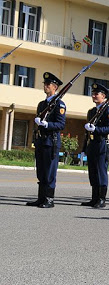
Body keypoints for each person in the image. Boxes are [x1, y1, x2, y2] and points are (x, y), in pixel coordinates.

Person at [27, 72, 66, 209]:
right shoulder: (42, 104)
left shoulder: (59, 104)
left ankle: (49, 199)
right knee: (41, 171)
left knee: (49, 171)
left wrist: (47, 124)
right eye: (45, 84)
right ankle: (41, 198)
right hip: (41, 141)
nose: (45, 86)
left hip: (51, 141)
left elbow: (61, 125)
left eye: (48, 84)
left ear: (55, 87)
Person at [82, 83, 109, 209]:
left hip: (102, 143)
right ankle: (94, 198)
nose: (94, 95)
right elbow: (87, 132)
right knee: (93, 172)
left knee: (101, 172)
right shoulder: (92, 111)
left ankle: (102, 199)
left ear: (103, 96)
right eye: (93, 93)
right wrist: (84, 148)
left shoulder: (108, 110)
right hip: (92, 144)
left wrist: (96, 129)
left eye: (97, 94)